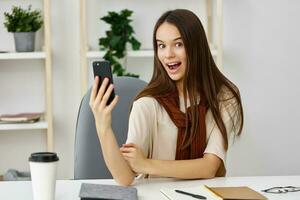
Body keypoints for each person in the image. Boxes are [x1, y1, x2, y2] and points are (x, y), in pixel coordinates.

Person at [89, 9, 244, 186]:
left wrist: (146, 165)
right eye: (161, 45)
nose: (168, 54)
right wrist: (103, 127)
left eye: (178, 44)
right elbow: (125, 178)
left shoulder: (224, 98)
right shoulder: (147, 105)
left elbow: (209, 167)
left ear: (196, 46)